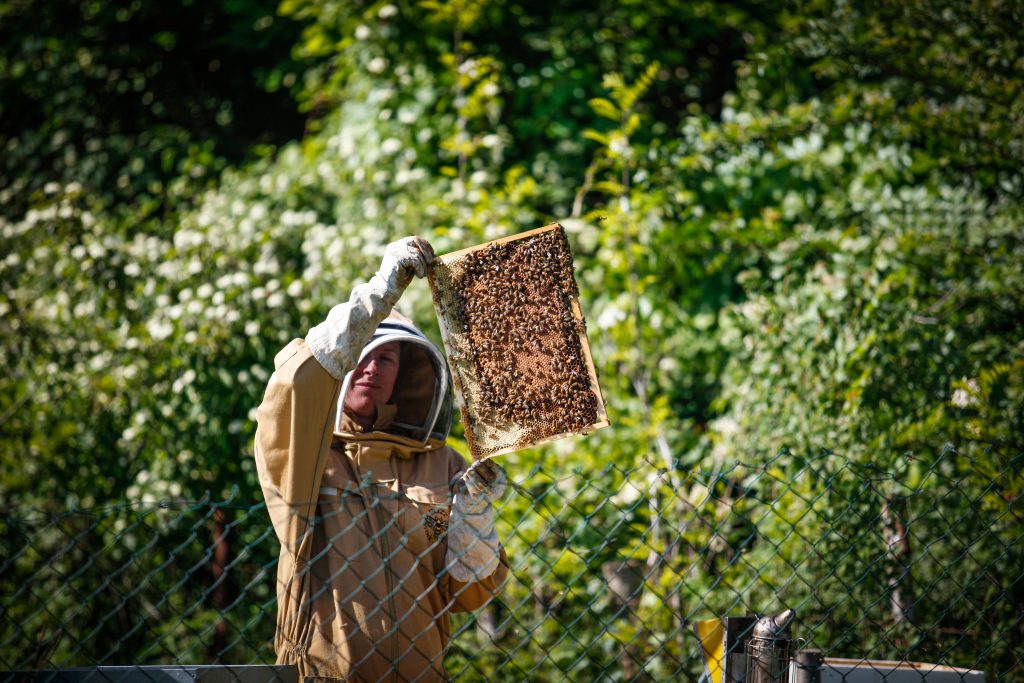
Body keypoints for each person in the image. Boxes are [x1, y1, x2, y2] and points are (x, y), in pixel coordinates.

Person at [254, 236, 509, 682]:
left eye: (386, 358)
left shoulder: (442, 464)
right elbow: (296, 384)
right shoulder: (308, 454)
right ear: (345, 361)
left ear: (404, 374)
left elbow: (468, 595)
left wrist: (474, 518)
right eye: (362, 355)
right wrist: (380, 291)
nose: (372, 368)